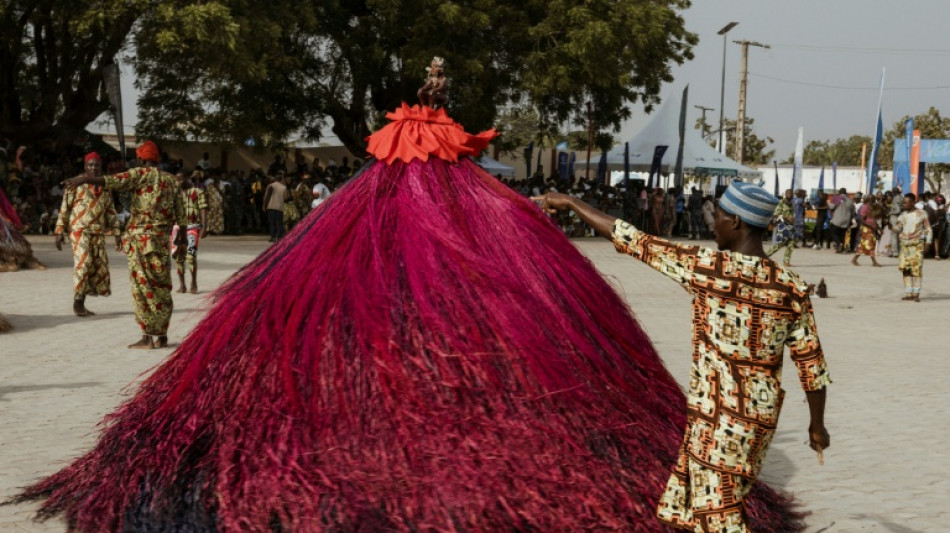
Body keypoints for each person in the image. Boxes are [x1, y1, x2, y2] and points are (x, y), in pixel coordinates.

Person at [534, 181, 831, 532]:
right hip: (753, 417)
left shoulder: (709, 268)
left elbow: (631, 239)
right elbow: (811, 365)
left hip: (721, 417)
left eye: (718, 216)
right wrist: (816, 425)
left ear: (736, 222)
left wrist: (571, 202)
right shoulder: (791, 286)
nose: (713, 223)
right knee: (687, 508)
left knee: (719, 516)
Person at [63, 140, 185, 349]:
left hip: (140, 241)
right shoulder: (172, 180)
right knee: (162, 287)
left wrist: (84, 179)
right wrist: (180, 238)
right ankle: (162, 336)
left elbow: (112, 181)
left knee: (142, 288)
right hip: (161, 241)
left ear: (141, 159)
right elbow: (181, 214)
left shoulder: (139, 174)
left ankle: (147, 337)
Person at [54, 152, 121, 316]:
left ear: (101, 167)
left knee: (94, 267)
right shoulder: (74, 184)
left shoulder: (105, 186)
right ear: (85, 166)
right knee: (83, 264)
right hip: (79, 230)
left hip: (98, 232)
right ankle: (77, 303)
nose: (93, 168)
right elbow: (65, 208)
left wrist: (117, 233)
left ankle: (82, 304)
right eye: (90, 165)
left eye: (96, 165)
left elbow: (110, 211)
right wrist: (59, 231)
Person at [173, 170, 208, 294]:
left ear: (187, 178)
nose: (178, 182)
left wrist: (204, 226)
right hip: (177, 228)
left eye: (180, 179)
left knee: (191, 256)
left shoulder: (198, 192)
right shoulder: (174, 194)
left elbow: (203, 209)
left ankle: (193, 282)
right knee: (178, 257)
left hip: (192, 227)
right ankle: (182, 285)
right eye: (176, 180)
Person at [894, 193, 932, 302]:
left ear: (913, 203)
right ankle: (908, 293)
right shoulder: (902, 215)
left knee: (916, 270)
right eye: (903, 203)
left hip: (917, 245)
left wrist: (928, 243)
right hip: (904, 245)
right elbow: (898, 228)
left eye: (906, 203)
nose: (904, 205)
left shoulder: (922, 214)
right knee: (905, 269)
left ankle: (916, 294)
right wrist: (890, 226)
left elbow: (928, 229)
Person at [767, 189, 796, 266]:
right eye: (788, 193)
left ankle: (786, 261)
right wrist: (786, 217)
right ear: (785, 194)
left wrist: (792, 219)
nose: (790, 194)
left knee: (791, 244)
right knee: (780, 244)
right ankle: (765, 255)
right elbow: (776, 215)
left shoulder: (791, 204)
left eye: (791, 193)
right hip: (783, 226)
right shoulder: (781, 203)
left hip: (790, 227)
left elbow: (792, 215)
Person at [851, 195, 882, 267]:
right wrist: (871, 226)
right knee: (870, 244)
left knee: (865, 245)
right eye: (872, 199)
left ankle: (854, 259)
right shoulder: (865, 207)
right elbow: (862, 220)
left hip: (872, 228)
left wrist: (879, 228)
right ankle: (874, 262)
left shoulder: (872, 207)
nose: (873, 200)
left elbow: (874, 219)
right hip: (867, 229)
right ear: (868, 199)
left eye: (874, 199)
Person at [262, 171, 288, 242]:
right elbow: (285, 198)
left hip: (270, 207)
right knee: (279, 222)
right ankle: (279, 237)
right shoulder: (283, 187)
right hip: (279, 207)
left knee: (271, 222)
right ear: (281, 179)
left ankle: (272, 237)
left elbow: (266, 197)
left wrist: (264, 205)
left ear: (275, 179)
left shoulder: (270, 186)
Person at [828, 188, 854, 253]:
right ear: (846, 192)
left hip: (838, 218)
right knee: (842, 234)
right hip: (846, 219)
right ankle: (841, 249)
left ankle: (839, 243)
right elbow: (853, 211)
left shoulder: (836, 198)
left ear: (839, 192)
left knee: (833, 232)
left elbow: (831, 207)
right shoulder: (850, 200)